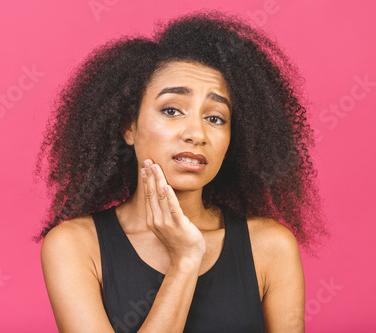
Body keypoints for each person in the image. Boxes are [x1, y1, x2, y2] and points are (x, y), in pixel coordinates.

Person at [35, 10, 327, 332]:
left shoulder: (271, 246)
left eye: (215, 118)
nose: (197, 134)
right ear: (129, 127)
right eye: (172, 110)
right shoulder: (76, 246)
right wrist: (185, 261)